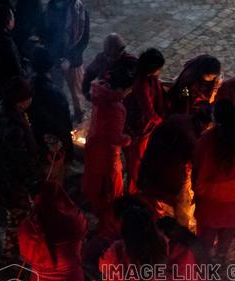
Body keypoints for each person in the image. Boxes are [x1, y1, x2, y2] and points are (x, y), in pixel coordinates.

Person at [192, 98, 235, 259]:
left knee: (206, 235)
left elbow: (200, 171)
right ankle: (221, 255)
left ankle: (204, 260)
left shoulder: (208, 140)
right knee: (228, 230)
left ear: (215, 118)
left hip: (210, 197)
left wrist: (197, 191)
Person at [83, 63, 135, 238]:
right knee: (109, 193)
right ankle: (106, 229)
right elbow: (114, 137)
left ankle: (99, 216)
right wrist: (128, 139)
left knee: (96, 188)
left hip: (93, 149)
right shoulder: (116, 107)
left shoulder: (100, 95)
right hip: (107, 157)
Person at [0, 76, 40, 257]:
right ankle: (12, 253)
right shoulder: (12, 127)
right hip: (10, 182)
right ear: (21, 101)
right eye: (28, 97)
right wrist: (34, 182)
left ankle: (17, 249)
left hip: (2, 175)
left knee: (17, 216)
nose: (30, 100)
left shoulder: (3, 109)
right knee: (17, 218)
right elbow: (20, 161)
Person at [136, 111, 206, 229]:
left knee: (151, 202)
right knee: (181, 205)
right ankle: (180, 230)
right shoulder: (190, 137)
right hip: (169, 177)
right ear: (201, 124)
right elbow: (196, 163)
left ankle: (150, 224)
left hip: (150, 169)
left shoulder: (177, 119)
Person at [124, 48, 166, 194]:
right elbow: (148, 111)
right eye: (159, 68)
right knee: (135, 162)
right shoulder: (141, 85)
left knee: (141, 158)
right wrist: (162, 122)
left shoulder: (150, 78)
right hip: (139, 128)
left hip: (145, 128)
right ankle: (133, 192)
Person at [41, 0, 90, 123]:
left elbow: (83, 40)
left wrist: (69, 59)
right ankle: (60, 115)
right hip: (55, 59)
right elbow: (46, 32)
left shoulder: (79, 11)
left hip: (74, 61)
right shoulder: (51, 7)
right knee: (56, 91)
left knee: (77, 93)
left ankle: (80, 116)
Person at [28, 46, 74, 178]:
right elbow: (64, 125)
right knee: (53, 178)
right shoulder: (55, 93)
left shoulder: (29, 86)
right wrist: (69, 151)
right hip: (52, 145)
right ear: (50, 66)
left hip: (36, 139)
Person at [157, 216, 207, 281]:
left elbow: (182, 276)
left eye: (160, 235)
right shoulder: (182, 239)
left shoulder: (185, 250)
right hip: (185, 273)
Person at [0, 4, 23, 106]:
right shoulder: (5, 44)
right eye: (12, 16)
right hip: (10, 93)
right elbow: (15, 71)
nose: (14, 18)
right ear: (8, 22)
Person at [82, 33, 129, 100]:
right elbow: (89, 73)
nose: (110, 59)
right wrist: (86, 92)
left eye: (115, 55)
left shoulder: (130, 62)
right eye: (108, 55)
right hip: (104, 97)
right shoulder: (100, 59)